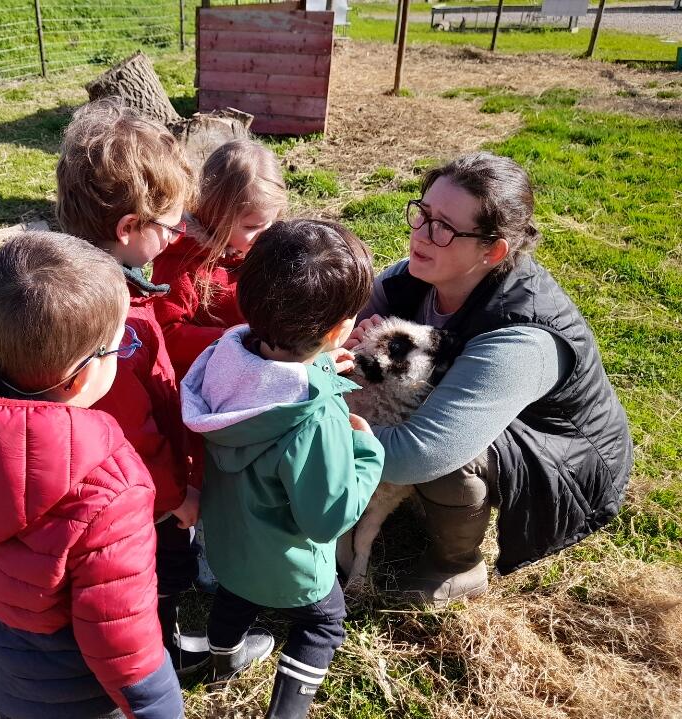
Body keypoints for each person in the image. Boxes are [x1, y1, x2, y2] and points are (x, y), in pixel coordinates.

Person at [0, 233, 184, 719]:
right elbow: (122, 637)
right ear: (81, 375)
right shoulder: (112, 483)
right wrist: (162, 708)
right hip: (77, 692)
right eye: (122, 345)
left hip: (0, 667)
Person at [346, 151, 633, 604]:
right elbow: (338, 338)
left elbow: (420, 454)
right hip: (479, 415)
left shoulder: (521, 338)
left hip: (553, 452)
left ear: (493, 250)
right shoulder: (413, 275)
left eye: (444, 228)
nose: (420, 234)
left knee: (445, 456)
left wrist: (316, 429)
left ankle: (456, 566)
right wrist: (345, 346)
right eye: (422, 213)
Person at [56, 98, 235, 675]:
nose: (178, 233)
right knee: (156, 576)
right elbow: (126, 429)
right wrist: (174, 495)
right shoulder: (110, 321)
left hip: (117, 493)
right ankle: (157, 655)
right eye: (171, 223)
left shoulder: (96, 281)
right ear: (130, 228)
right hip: (141, 502)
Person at [182, 219, 385, 719]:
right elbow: (328, 517)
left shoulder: (225, 354)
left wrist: (316, 364)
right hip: (290, 567)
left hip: (228, 547)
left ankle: (223, 659)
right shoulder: (312, 421)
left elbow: (272, 375)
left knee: (235, 598)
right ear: (340, 329)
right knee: (323, 623)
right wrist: (366, 451)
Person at [152, 138, 288, 380]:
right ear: (216, 214)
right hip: (206, 379)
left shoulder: (258, 247)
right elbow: (167, 333)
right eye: (251, 225)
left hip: (255, 367)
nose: (264, 234)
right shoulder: (183, 261)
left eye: (269, 222)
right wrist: (236, 340)